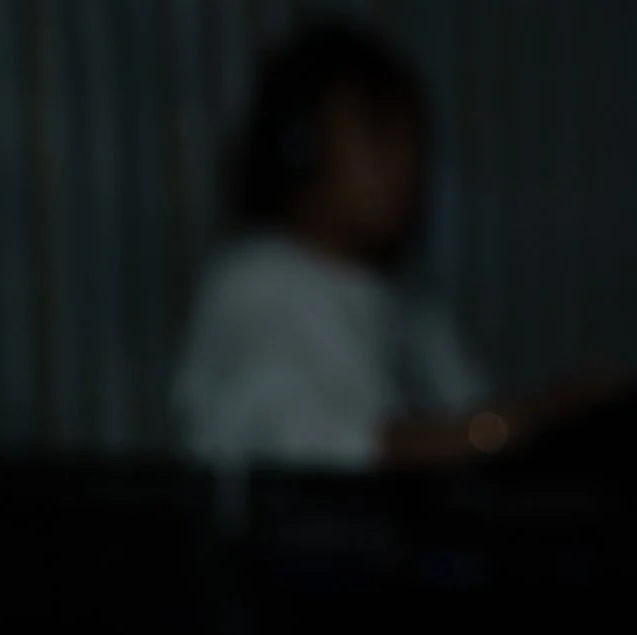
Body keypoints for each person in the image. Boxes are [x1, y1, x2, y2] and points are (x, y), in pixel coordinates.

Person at [175, 21, 529, 471]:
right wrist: (513, 427)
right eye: (378, 136)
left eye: (413, 140)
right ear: (300, 149)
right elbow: (320, 452)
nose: (406, 164)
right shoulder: (256, 288)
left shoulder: (408, 305)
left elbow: (468, 415)